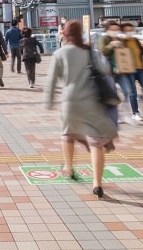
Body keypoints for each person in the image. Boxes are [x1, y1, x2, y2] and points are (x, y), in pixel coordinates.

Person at [44, 20, 118, 198]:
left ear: (65, 35)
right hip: (91, 101)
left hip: (70, 102)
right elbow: (105, 70)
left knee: (68, 135)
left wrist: (48, 101)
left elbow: (52, 81)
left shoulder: (59, 53)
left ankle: (69, 168)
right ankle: (97, 184)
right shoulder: (91, 52)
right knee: (96, 142)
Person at [99, 22, 143, 122]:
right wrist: (112, 45)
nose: (115, 31)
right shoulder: (104, 39)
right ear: (107, 30)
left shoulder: (121, 39)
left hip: (122, 71)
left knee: (127, 92)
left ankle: (128, 113)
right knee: (112, 94)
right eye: (112, 29)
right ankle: (113, 115)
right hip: (110, 71)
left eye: (116, 29)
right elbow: (103, 51)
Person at [120, 22, 143, 99]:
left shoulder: (135, 40)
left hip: (139, 66)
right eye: (127, 30)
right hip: (130, 68)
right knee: (132, 87)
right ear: (123, 31)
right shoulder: (122, 42)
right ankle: (134, 101)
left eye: (131, 30)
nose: (130, 32)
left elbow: (141, 52)